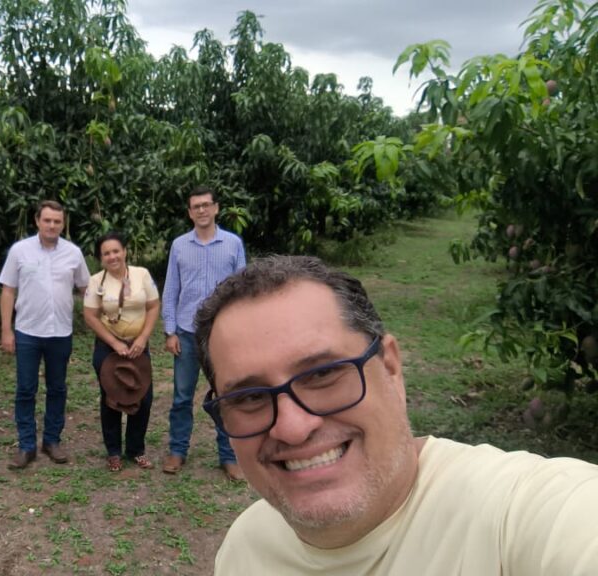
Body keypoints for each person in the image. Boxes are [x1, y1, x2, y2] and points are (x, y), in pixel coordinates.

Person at [194, 255, 598, 575]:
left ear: (390, 367)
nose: (294, 427)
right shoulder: (244, 548)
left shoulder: (514, 516)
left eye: (322, 374)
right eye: (249, 397)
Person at [162, 187, 247, 480]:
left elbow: (241, 292)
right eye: (195, 206)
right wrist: (169, 331)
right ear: (189, 212)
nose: (201, 210)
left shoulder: (233, 244)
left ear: (216, 208)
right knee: (181, 397)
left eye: (206, 205)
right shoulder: (179, 246)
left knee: (225, 395)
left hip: (220, 335)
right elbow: (171, 289)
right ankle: (177, 450)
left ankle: (228, 455)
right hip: (186, 332)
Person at [0, 200, 91, 469]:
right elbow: (7, 291)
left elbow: (87, 289)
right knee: (26, 389)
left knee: (57, 388)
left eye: (57, 221)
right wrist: (6, 330)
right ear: (37, 221)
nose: (52, 225)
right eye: (47, 220)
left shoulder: (73, 253)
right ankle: (26, 445)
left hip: (61, 332)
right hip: (27, 331)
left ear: (63, 224)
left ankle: (52, 440)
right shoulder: (20, 251)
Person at [83, 231, 160, 472]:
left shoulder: (141, 275)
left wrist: (143, 337)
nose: (112, 256)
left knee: (143, 396)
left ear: (125, 251)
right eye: (106, 253)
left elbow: (153, 305)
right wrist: (114, 343)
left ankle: (136, 449)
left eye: (116, 251)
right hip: (109, 346)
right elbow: (90, 316)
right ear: (100, 257)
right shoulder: (97, 281)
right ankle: (113, 452)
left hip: (138, 344)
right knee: (112, 398)